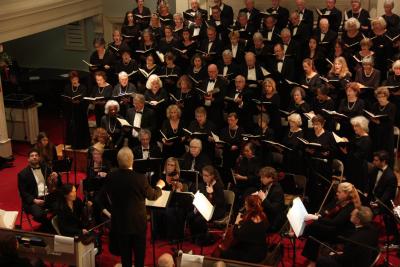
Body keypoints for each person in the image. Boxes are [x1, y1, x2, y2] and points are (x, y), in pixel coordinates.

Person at [106, 147, 165, 267]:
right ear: (132, 160)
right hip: (137, 223)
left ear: (118, 161)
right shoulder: (140, 178)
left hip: (120, 222)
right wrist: (159, 186)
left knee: (125, 256)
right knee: (139, 255)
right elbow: (152, 196)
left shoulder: (111, 177)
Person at [302, 182, 361, 267]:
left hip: (342, 233)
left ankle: (313, 260)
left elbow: (335, 222)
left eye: (339, 192)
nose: (337, 193)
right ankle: (311, 257)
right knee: (315, 228)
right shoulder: (339, 200)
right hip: (334, 227)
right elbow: (327, 208)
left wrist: (317, 218)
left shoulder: (350, 207)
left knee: (315, 229)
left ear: (346, 194)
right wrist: (320, 215)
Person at [17, 149, 61, 230]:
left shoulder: (46, 168)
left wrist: (56, 176)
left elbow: (57, 183)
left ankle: (49, 226)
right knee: (39, 215)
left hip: (47, 196)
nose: (34, 157)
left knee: (60, 207)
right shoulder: (22, 174)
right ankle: (50, 227)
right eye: (32, 156)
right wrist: (34, 200)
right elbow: (23, 192)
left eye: (36, 155)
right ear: (28, 159)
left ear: (39, 158)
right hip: (33, 200)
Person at [219, 195, 268, 263]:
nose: (245, 206)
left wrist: (236, 222)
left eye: (245, 204)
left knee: (224, 252)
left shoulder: (250, 222)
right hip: (262, 250)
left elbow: (236, 235)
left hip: (253, 255)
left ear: (250, 207)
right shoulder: (262, 216)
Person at [187, 165, 225, 245]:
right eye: (203, 175)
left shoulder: (218, 186)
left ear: (212, 176)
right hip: (205, 208)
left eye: (206, 176)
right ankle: (194, 237)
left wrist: (211, 194)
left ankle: (202, 239)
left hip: (216, 210)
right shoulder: (203, 184)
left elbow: (220, 202)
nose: (204, 177)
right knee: (191, 216)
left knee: (199, 219)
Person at [368, 150, 400, 247]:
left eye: (376, 160)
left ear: (384, 161)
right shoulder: (374, 170)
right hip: (373, 198)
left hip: (384, 203)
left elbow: (388, 195)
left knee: (367, 213)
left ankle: (368, 235)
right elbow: (369, 185)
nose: (374, 162)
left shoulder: (391, 176)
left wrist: (377, 203)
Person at [339, 116, 371, 192]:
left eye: (356, 126)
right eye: (353, 126)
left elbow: (358, 157)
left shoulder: (366, 140)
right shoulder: (357, 137)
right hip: (353, 167)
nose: (354, 128)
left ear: (362, 126)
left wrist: (347, 152)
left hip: (359, 170)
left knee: (355, 191)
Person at [369, 87, 397, 167]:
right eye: (379, 97)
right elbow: (371, 117)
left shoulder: (392, 106)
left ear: (386, 96)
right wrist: (373, 120)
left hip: (386, 136)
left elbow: (390, 122)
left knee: (385, 155)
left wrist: (379, 122)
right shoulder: (375, 105)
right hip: (375, 134)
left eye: (382, 96)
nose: (380, 99)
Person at [63, 70, 90, 149]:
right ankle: (71, 143)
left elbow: (84, 98)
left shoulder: (83, 87)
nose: (74, 81)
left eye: (75, 79)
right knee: (71, 126)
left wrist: (79, 101)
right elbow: (65, 97)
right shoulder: (67, 87)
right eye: (72, 79)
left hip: (80, 111)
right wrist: (69, 100)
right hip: (71, 111)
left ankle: (82, 144)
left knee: (81, 127)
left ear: (78, 79)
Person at [256, 166, 285, 232]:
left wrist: (263, 198)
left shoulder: (277, 190)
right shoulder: (269, 185)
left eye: (263, 177)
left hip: (273, 222)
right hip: (268, 215)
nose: (261, 179)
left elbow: (273, 209)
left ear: (271, 178)